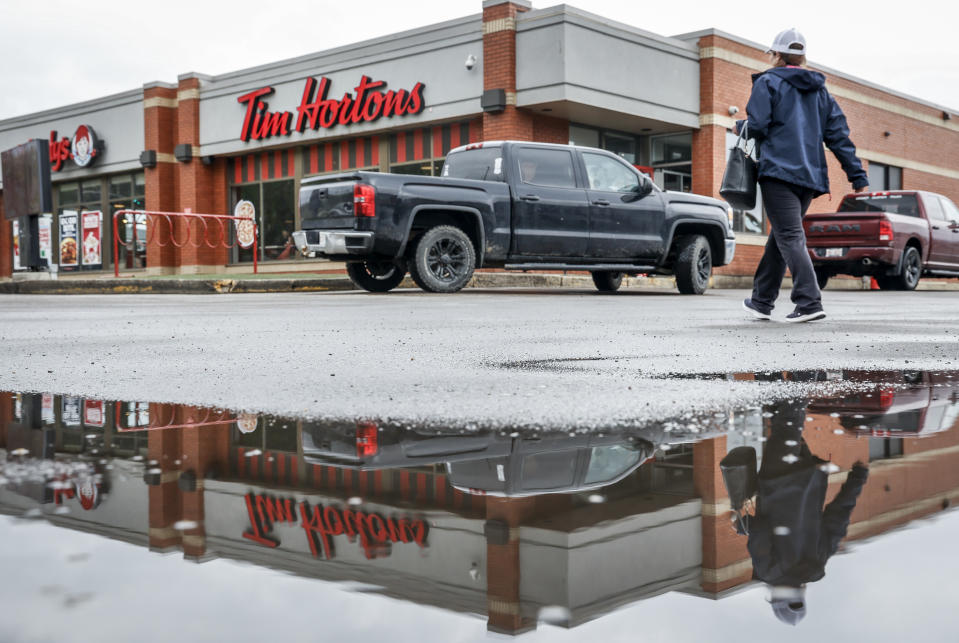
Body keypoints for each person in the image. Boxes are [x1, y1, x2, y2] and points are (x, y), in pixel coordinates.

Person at [737, 28, 869, 323]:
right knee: (781, 236)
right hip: (809, 178)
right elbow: (839, 136)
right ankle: (761, 301)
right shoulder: (821, 92)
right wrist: (857, 176)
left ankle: (809, 302)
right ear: (802, 57)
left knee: (789, 235)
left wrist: (739, 126)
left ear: (776, 54)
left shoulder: (768, 82)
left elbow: (758, 126)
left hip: (779, 174)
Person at [727, 395, 869, 626]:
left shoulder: (817, 563)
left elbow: (838, 518)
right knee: (789, 417)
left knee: (784, 420)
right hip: (777, 479)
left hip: (807, 475)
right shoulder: (770, 571)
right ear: (776, 598)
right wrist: (743, 526)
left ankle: (778, 376)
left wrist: (857, 480)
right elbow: (761, 529)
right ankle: (801, 373)